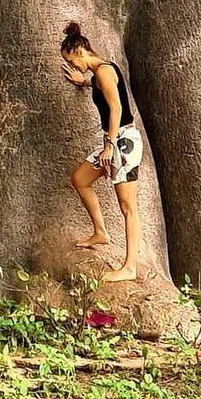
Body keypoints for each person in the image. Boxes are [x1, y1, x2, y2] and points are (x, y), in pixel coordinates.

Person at [60, 20, 142, 282]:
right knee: (80, 179)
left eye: (72, 61)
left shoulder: (105, 71)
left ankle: (130, 267)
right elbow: (100, 89)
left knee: (128, 206)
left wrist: (109, 145)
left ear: (81, 51)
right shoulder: (98, 74)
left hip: (124, 140)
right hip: (114, 139)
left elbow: (116, 108)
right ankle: (100, 232)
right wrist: (82, 81)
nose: (73, 65)